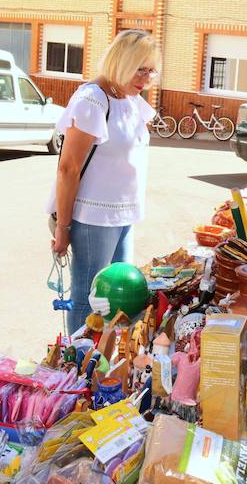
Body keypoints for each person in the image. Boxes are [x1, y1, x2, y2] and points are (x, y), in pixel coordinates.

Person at [46, 30, 159, 334]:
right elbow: (68, 168)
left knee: (119, 297)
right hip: (94, 216)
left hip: (123, 215)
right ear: (121, 62)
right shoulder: (92, 99)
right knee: (90, 297)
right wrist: (63, 227)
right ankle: (78, 367)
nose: (147, 78)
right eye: (140, 68)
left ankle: (103, 361)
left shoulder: (129, 98)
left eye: (151, 70)